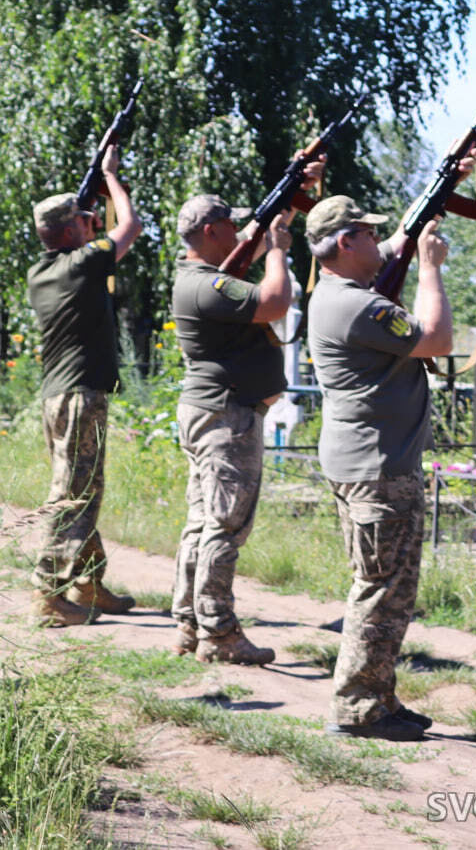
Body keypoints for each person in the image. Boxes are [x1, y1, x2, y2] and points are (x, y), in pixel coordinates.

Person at [305, 153, 474, 742]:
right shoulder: (359, 304)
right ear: (347, 242)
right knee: (380, 589)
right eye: (370, 233)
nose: (382, 240)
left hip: (366, 463)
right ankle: (356, 705)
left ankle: (377, 696)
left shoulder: (334, 293)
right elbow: (438, 339)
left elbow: (399, 237)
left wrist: (446, 179)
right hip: (378, 470)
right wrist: (430, 268)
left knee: (391, 587)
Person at [169, 160, 321, 665]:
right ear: (211, 232)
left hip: (211, 410)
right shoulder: (207, 286)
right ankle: (219, 632)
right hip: (227, 415)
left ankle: (190, 624)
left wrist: (293, 190)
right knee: (225, 525)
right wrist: (279, 248)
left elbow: (247, 244)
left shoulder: (201, 275)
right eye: (230, 226)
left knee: (202, 522)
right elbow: (275, 301)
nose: (239, 231)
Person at [27, 144, 143, 626]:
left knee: (82, 484)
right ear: (71, 229)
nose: (91, 220)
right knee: (73, 492)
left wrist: (83, 221)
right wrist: (113, 177)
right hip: (79, 395)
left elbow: (93, 241)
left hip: (59, 395)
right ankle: (47, 594)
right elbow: (130, 228)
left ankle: (89, 581)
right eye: (83, 218)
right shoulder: (81, 264)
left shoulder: (42, 271)